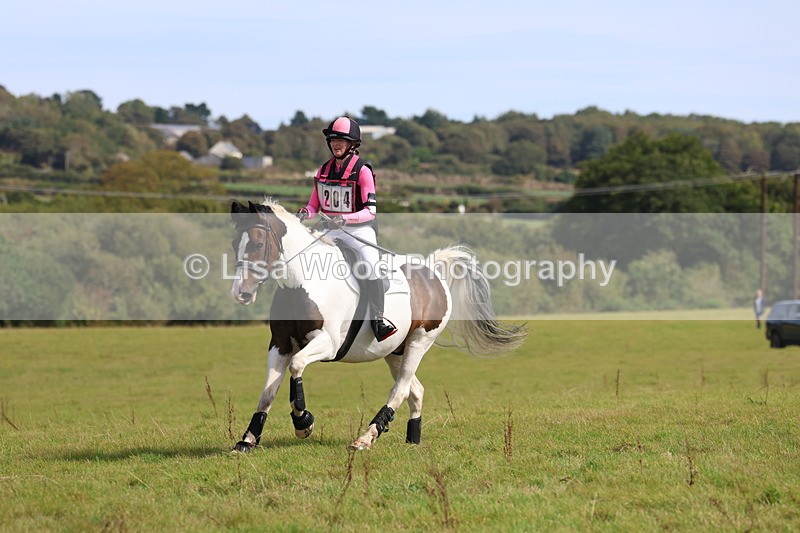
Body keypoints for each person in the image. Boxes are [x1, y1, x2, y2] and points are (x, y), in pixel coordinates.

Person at [297, 116, 397, 341]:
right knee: (303, 257)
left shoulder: (363, 171)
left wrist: (344, 218)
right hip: (330, 229)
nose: (336, 143)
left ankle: (378, 320)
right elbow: (315, 204)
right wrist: (305, 213)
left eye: (341, 140)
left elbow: (370, 211)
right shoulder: (323, 170)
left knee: (371, 266)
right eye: (333, 139)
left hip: (359, 230)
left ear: (353, 144)